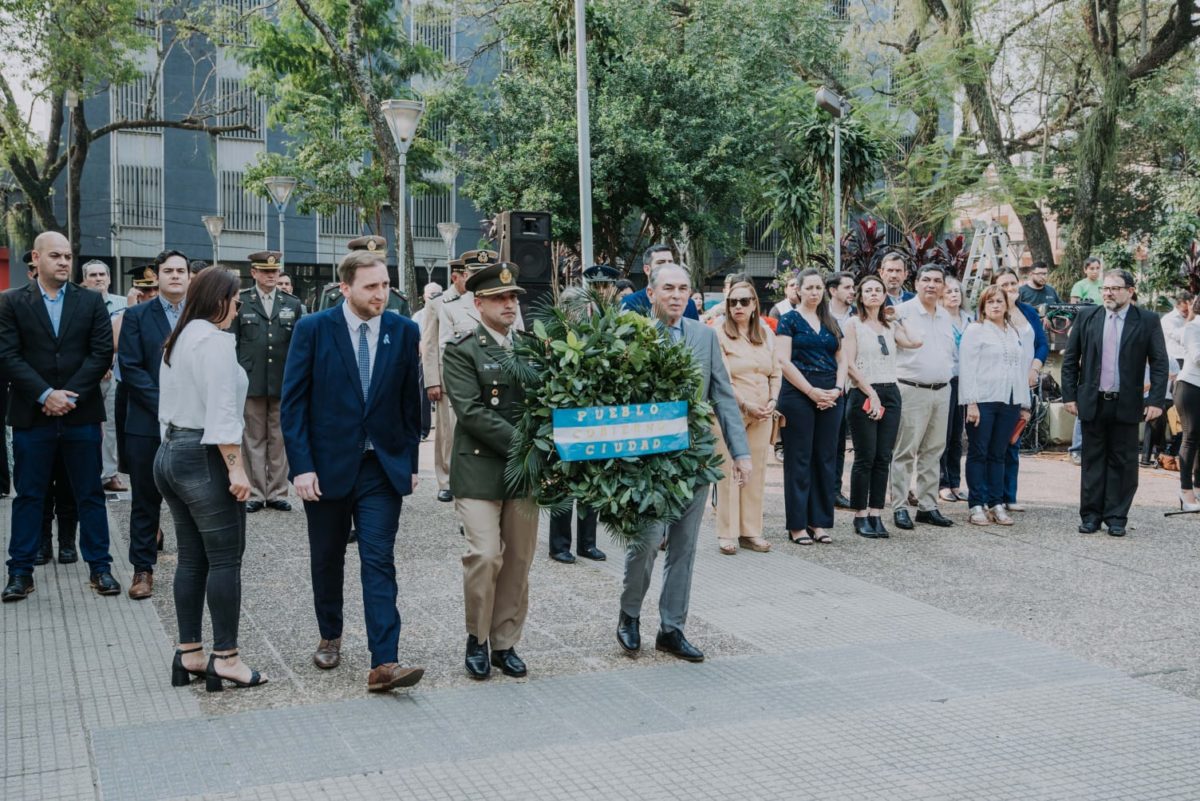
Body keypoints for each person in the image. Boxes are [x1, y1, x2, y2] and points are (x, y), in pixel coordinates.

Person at [280, 249, 425, 693]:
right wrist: (301, 467)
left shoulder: (402, 331)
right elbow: (293, 404)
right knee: (327, 558)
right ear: (345, 288)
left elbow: (410, 404)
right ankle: (330, 633)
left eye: (385, 285)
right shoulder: (313, 329)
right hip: (325, 469)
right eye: (371, 287)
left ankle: (385, 660)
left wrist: (410, 462)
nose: (381, 294)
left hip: (380, 468)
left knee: (378, 559)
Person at [617, 263, 750, 663]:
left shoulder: (704, 336)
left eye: (683, 289)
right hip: (648, 461)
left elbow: (723, 397)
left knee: (684, 548)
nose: (676, 296)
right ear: (652, 293)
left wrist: (740, 453)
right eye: (668, 288)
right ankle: (630, 616)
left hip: (694, 459)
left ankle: (672, 629)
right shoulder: (630, 335)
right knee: (645, 544)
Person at [156, 266, 266, 692]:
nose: (239, 307)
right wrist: (236, 468)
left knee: (191, 558)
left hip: (171, 451)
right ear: (219, 298)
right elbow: (221, 411)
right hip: (203, 455)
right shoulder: (215, 342)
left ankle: (190, 654)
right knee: (224, 560)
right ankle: (227, 658)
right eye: (236, 298)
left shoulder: (179, 338)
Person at [1, 232, 119, 603]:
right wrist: (44, 394)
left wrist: (67, 396)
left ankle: (100, 567)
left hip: (80, 413)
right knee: (29, 496)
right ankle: (20, 572)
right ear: (36, 258)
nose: (65, 262)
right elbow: (8, 355)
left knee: (89, 494)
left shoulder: (90, 301)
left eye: (69, 256)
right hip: (31, 416)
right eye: (56, 256)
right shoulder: (11, 302)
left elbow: (101, 353)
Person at [443, 261, 540, 679]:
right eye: (500, 297)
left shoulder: (532, 347)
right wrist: (528, 447)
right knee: (484, 555)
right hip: (481, 469)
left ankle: (504, 642)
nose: (509, 304)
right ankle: (476, 637)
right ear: (477, 302)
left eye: (514, 296)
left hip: (525, 473)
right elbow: (472, 412)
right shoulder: (463, 349)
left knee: (518, 559)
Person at [1061, 269, 1169, 536]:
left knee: (1124, 462)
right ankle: (1091, 516)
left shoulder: (1147, 320)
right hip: (1093, 401)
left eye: (1114, 288)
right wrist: (1070, 396)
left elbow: (1159, 363)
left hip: (1127, 403)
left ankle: (1117, 516)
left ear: (1130, 291)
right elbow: (1070, 360)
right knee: (1092, 460)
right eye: (1105, 288)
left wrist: (1156, 400)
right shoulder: (1088, 316)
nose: (1108, 293)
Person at [118, 249, 190, 600]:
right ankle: (142, 569)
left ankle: (194, 568)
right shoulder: (137, 316)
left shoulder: (201, 316)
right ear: (157, 276)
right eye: (168, 271)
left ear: (189, 277)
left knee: (193, 499)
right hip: (147, 422)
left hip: (193, 424)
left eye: (181, 270)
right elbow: (130, 369)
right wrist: (166, 405)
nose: (175, 276)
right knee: (145, 500)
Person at [548, 264, 620, 563]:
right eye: (597, 287)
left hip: (596, 409)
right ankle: (560, 544)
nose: (601, 292)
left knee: (592, 477)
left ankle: (587, 543)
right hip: (566, 412)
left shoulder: (610, 321)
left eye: (605, 287)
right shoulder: (556, 331)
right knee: (565, 479)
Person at [843, 274, 920, 538]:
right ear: (860, 297)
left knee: (883, 456)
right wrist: (870, 394)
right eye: (868, 290)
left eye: (879, 290)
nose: (874, 294)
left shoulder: (889, 326)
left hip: (890, 392)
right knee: (865, 456)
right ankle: (860, 514)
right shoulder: (853, 324)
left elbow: (915, 342)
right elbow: (850, 365)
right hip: (863, 392)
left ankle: (876, 512)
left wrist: (900, 319)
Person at [774, 268, 847, 545]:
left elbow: (842, 359)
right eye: (809, 288)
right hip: (798, 393)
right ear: (799, 290)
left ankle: (819, 522)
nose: (814, 292)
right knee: (799, 459)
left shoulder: (830, 320)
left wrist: (838, 389)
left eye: (819, 288)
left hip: (831, 393)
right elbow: (783, 360)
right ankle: (797, 525)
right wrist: (811, 391)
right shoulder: (789, 320)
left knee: (825, 459)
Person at [229, 250, 305, 513]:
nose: (271, 275)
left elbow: (298, 346)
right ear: (254, 273)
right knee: (252, 438)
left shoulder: (291, 303)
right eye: (265, 271)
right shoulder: (242, 301)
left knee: (279, 437)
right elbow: (233, 341)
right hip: (251, 380)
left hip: (282, 380)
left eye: (274, 271)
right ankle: (255, 492)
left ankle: (277, 491)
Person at [713, 279, 780, 554]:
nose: (737, 306)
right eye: (732, 302)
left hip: (763, 411)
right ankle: (727, 533)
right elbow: (722, 377)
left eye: (743, 301)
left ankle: (750, 531)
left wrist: (773, 400)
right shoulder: (718, 333)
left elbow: (776, 371)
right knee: (729, 470)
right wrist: (745, 404)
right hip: (732, 411)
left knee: (756, 470)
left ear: (754, 305)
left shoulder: (766, 333)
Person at [890, 265, 958, 530]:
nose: (932, 285)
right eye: (926, 280)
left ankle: (928, 506)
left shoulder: (945, 316)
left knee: (933, 451)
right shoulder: (902, 312)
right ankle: (899, 506)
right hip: (911, 389)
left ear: (943, 286)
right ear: (916, 283)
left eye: (937, 281)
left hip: (942, 391)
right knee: (905, 451)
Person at [958, 286, 1029, 526]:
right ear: (983, 306)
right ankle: (976, 504)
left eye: (999, 301)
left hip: (1009, 400)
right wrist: (971, 403)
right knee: (979, 451)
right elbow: (966, 368)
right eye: (990, 302)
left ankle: (996, 502)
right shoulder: (976, 330)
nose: (996, 305)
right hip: (983, 399)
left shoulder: (1013, 331)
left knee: (999, 454)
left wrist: (1023, 403)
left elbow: (1020, 368)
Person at [992, 268, 1048, 512]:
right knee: (994, 443)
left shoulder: (1028, 312)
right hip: (997, 386)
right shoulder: (991, 313)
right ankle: (989, 496)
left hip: (1024, 385)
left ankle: (1009, 496)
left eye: (1013, 283)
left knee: (1014, 440)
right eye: (1004, 284)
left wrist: (1035, 368)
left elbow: (1042, 344)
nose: (1009, 288)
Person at [82, 259, 128, 492]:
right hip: (87, 376)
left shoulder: (123, 304)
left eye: (102, 274)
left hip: (116, 375)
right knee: (86, 425)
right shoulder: (78, 304)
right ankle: (87, 473)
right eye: (93, 275)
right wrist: (98, 365)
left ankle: (109, 474)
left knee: (110, 425)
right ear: (84, 280)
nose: (98, 278)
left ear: (109, 278)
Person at [422, 258, 464, 502]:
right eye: (467, 275)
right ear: (455, 277)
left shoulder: (480, 300)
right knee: (446, 434)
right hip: (445, 377)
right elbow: (428, 344)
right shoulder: (438, 303)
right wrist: (431, 380)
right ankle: (446, 480)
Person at [938, 277, 972, 503]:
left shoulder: (970, 319)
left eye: (957, 292)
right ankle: (942, 482)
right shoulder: (938, 319)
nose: (953, 295)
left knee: (958, 436)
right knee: (944, 433)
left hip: (966, 380)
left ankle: (956, 482)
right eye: (949, 291)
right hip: (946, 378)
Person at [826, 270, 855, 508]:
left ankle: (835, 489)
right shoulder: (820, 315)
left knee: (840, 444)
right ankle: (824, 489)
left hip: (852, 388)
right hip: (828, 387)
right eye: (847, 287)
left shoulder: (857, 316)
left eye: (853, 287)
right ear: (833, 290)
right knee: (828, 441)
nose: (852, 292)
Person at [620, 245, 700, 320]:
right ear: (647, 269)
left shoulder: (688, 304)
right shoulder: (630, 303)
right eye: (661, 262)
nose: (667, 267)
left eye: (670, 262)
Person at [1173, 298, 1200, 511]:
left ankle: (1198, 488)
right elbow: (1197, 356)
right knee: (1190, 438)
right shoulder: (1193, 327)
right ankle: (1185, 491)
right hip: (1189, 387)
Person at [413, 281, 442, 442]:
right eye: (429, 295)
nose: (432, 297)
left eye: (435, 294)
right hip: (426, 359)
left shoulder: (447, 311)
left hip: (445, 358)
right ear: (424, 297)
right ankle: (423, 429)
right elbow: (416, 340)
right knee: (423, 395)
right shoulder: (418, 317)